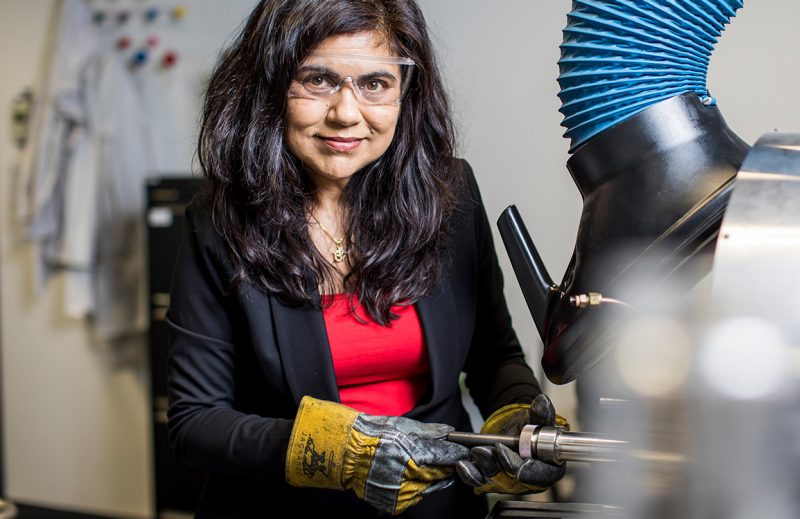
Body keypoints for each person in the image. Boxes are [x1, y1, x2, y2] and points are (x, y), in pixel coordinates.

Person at [166, 0, 567, 516]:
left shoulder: (450, 195)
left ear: (406, 92)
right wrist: (341, 454)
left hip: (438, 507)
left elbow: (495, 356)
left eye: (375, 83)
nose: (346, 113)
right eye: (318, 80)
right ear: (269, 88)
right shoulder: (219, 223)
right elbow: (195, 420)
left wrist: (518, 426)